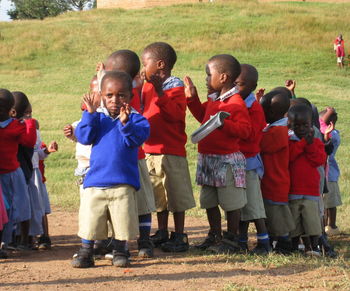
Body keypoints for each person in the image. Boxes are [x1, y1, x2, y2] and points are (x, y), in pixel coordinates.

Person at [71, 71, 150, 268]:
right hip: (96, 180)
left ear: (131, 97)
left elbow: (136, 139)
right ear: (102, 96)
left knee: (122, 219)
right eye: (109, 95)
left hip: (123, 182)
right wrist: (89, 114)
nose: (115, 100)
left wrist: (125, 123)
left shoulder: (137, 119)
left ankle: (120, 250)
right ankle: (86, 251)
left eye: (121, 95)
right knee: (91, 218)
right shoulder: (96, 118)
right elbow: (84, 137)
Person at [186, 54, 251, 254]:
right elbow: (204, 120)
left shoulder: (235, 102)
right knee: (209, 201)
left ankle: (232, 239)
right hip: (208, 158)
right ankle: (215, 234)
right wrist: (193, 99)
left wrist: (225, 124)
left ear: (223, 77)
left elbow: (246, 131)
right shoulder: (215, 100)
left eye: (208, 75)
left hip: (226, 161)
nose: (206, 79)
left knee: (230, 202)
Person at [141, 42, 195, 252]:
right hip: (150, 149)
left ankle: (180, 235)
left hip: (171, 151)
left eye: (146, 63)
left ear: (160, 64)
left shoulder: (174, 86)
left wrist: (160, 92)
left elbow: (174, 115)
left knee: (176, 195)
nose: (143, 67)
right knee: (158, 196)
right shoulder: (146, 86)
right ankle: (162, 231)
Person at [103, 49, 156, 257]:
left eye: (110, 70)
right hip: (120, 159)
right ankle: (137, 242)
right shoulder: (132, 90)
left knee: (139, 202)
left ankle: (143, 240)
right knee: (129, 202)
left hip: (133, 158)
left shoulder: (127, 95)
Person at [235, 64, 270, 255]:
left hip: (248, 162)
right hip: (237, 161)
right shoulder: (237, 102)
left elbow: (252, 137)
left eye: (239, 84)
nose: (235, 88)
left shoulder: (253, 108)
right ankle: (241, 240)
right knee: (240, 205)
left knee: (254, 206)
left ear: (252, 86)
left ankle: (264, 242)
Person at [0, 88, 36, 256]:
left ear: (11, 111)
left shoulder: (16, 126)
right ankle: (9, 242)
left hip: (13, 175)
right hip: (7, 175)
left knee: (15, 208)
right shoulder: (15, 126)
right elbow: (28, 141)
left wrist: (28, 122)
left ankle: (10, 242)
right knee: (5, 210)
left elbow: (28, 142)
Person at [288, 104, 327, 256]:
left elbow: (318, 160)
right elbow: (289, 157)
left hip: (311, 190)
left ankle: (314, 247)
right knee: (295, 221)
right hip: (294, 189)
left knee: (312, 221)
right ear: (290, 125)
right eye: (297, 125)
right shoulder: (289, 141)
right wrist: (303, 143)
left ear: (311, 124)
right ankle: (294, 246)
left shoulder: (316, 142)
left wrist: (309, 145)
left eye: (306, 125)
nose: (302, 129)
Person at [259, 91, 295, 254]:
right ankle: (277, 240)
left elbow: (261, 145)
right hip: (272, 181)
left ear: (271, 113)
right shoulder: (277, 127)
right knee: (272, 213)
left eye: (263, 111)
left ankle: (284, 243)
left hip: (275, 182)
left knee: (277, 215)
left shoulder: (278, 132)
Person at [319, 107, 342, 236]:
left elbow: (322, 126)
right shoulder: (331, 133)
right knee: (326, 204)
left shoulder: (332, 135)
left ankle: (331, 226)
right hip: (327, 174)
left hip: (330, 175)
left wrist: (328, 114)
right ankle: (328, 225)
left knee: (330, 203)